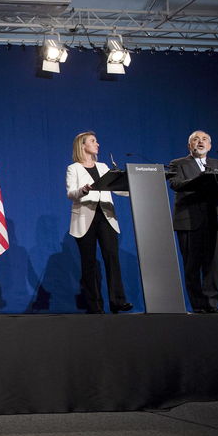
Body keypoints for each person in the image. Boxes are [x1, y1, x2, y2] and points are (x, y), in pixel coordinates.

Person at [66, 131, 132, 314]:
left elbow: (117, 188)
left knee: (112, 258)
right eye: (93, 141)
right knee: (89, 263)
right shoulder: (74, 168)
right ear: (83, 145)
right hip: (84, 219)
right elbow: (71, 193)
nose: (98, 144)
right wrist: (83, 190)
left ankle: (117, 301)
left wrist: (133, 185)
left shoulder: (103, 166)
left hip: (106, 217)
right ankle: (94, 305)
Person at [168, 130, 218, 313]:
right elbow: (175, 184)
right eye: (195, 139)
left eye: (204, 139)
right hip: (188, 221)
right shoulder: (178, 163)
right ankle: (198, 305)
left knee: (212, 264)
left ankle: (212, 304)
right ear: (189, 146)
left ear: (210, 146)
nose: (200, 142)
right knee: (192, 265)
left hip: (214, 219)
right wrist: (200, 179)